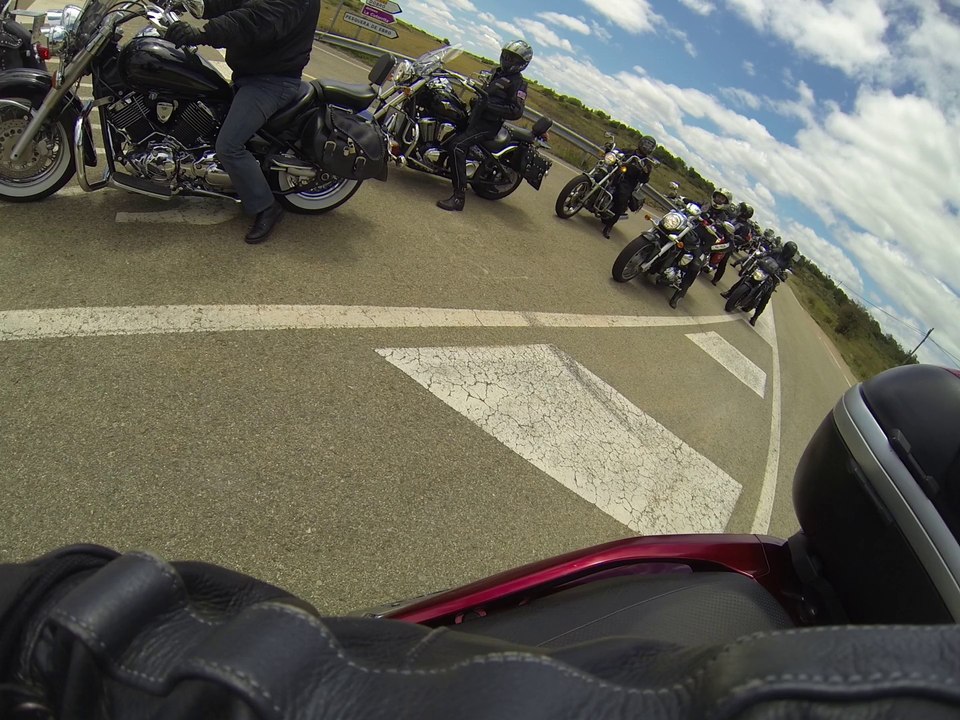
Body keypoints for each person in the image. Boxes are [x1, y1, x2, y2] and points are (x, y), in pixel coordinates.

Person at [164, 0, 321, 244]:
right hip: (250, 73)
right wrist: (199, 4)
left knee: (229, 145)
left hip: (271, 81)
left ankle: (265, 206)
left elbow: (255, 19)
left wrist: (201, 34)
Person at [436, 40, 532, 212]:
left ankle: (459, 197)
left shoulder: (518, 83)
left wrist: (489, 106)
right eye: (507, 56)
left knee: (457, 146)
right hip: (475, 118)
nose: (508, 60)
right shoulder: (497, 72)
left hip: (488, 125)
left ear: (522, 64)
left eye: (513, 58)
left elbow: (516, 111)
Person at [722, 240, 798, 325]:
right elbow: (767, 253)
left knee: (766, 297)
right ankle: (729, 293)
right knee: (746, 278)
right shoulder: (777, 251)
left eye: (788, 251)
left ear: (791, 254)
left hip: (773, 277)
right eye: (786, 249)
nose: (786, 252)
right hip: (763, 268)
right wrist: (761, 255)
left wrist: (783, 276)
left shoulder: (789, 263)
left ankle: (755, 317)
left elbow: (787, 272)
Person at [601, 135, 656, 238]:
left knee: (622, 198)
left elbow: (644, 180)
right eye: (646, 144)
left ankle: (609, 226)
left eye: (649, 146)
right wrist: (611, 149)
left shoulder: (647, 163)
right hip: (614, 173)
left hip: (628, 182)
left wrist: (645, 173)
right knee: (599, 174)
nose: (646, 147)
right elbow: (617, 153)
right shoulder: (628, 151)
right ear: (641, 142)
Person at [711, 202, 753, 286]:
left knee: (723, 260)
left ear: (744, 213)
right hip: (719, 235)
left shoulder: (745, 227)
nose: (737, 209)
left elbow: (744, 239)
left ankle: (716, 278)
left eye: (740, 209)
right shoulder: (733, 217)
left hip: (729, 243)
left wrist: (734, 238)